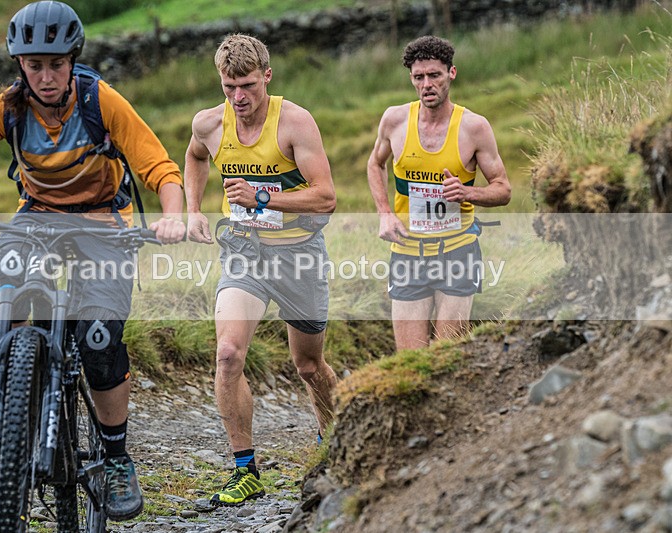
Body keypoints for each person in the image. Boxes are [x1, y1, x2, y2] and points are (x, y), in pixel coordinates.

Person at [0, 1, 185, 522]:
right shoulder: (7, 108)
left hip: (101, 221)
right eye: (34, 65)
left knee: (98, 338)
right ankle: (3, 396)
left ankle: (117, 460)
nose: (46, 76)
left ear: (73, 59)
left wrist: (173, 217)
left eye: (56, 64)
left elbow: (159, 167)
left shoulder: (101, 101)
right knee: (4, 275)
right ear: (20, 66)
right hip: (38, 216)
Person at [185, 34, 338, 506]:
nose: (239, 97)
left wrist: (263, 196)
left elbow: (326, 197)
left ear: (267, 76)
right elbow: (193, 157)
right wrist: (193, 209)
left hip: (298, 254)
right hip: (245, 254)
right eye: (230, 86)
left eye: (248, 85)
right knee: (228, 354)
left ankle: (336, 441)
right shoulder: (210, 124)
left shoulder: (295, 122)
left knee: (308, 365)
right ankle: (245, 470)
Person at [367, 35, 511, 351]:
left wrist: (468, 193)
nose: (427, 84)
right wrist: (385, 214)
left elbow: (503, 189)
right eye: (419, 77)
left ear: (451, 73)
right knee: (410, 361)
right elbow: (375, 164)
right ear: (411, 79)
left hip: (457, 250)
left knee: (447, 356)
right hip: (407, 251)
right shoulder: (394, 120)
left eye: (435, 75)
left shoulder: (474, 127)